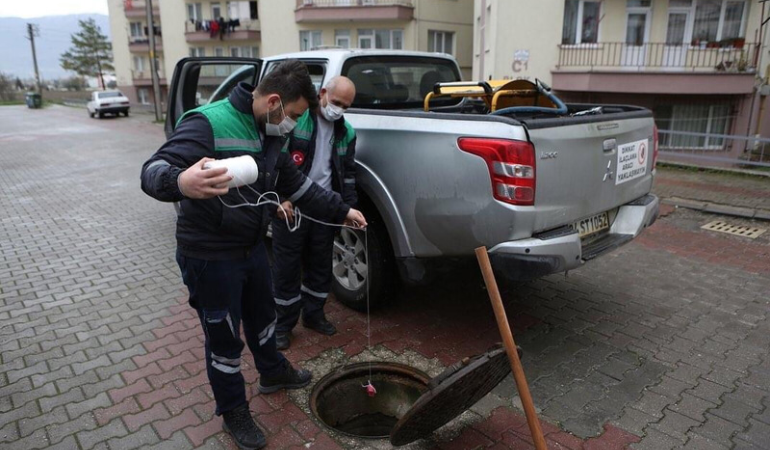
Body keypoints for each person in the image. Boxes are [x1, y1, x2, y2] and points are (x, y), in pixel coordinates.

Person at [140, 61, 366, 450]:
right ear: (275, 101)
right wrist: (180, 181)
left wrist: (341, 210)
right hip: (210, 255)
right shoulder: (208, 122)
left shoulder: (269, 132)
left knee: (264, 319)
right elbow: (152, 170)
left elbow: (296, 183)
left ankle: (273, 372)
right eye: (294, 116)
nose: (294, 125)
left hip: (252, 249)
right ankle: (233, 411)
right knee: (224, 339)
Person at [271, 76, 358, 350]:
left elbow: (348, 175)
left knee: (320, 265)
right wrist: (282, 199)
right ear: (322, 93)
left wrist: (348, 207)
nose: (338, 109)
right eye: (336, 102)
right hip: (294, 207)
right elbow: (276, 162)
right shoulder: (296, 121)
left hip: (324, 208)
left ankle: (314, 315)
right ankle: (283, 325)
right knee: (286, 268)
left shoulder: (347, 132)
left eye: (345, 106)